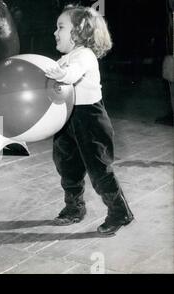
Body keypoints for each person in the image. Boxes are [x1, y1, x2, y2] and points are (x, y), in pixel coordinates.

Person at [45, 5, 134, 235]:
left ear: (79, 32)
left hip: (90, 120)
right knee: (66, 165)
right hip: (67, 118)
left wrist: (60, 75)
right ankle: (74, 207)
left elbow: (73, 74)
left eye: (61, 27)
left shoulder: (84, 55)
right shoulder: (67, 57)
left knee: (99, 168)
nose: (55, 32)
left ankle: (119, 212)